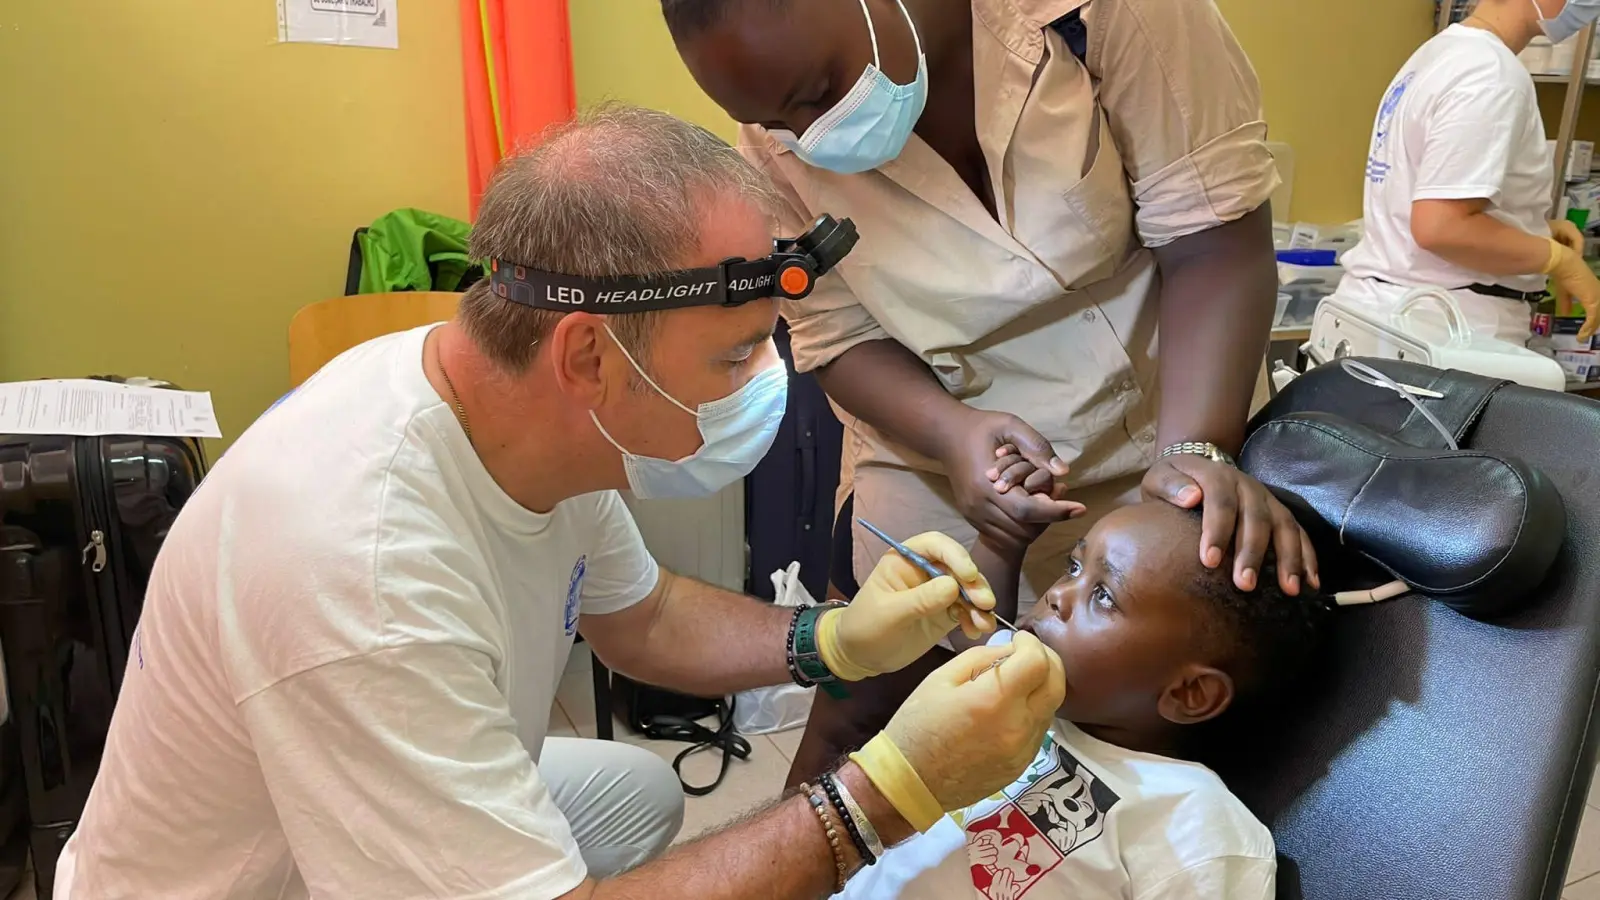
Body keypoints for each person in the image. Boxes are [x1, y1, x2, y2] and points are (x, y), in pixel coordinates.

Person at [55, 105, 1066, 900]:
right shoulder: (360, 563)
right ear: (587, 352)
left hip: (348, 785)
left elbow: (644, 616)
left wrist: (832, 638)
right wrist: (889, 789)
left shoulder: (511, 412)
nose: (769, 379)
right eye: (732, 353)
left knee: (633, 796)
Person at [661, 0, 1320, 784]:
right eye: (778, 124)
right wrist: (952, 436)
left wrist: (1191, 451)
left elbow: (1213, 234)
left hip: (1172, 408)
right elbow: (835, 338)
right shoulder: (777, 143)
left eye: (816, 91)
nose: (810, 137)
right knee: (877, 708)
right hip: (939, 433)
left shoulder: (1104, 14)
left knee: (1151, 727)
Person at [834, 501, 1328, 899]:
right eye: (1073, 566)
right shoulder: (1007, 694)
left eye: (1104, 596)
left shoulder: (1196, 828)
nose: (1058, 595)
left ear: (1189, 693)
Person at [1337, 0, 1600, 343]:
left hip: (1394, 314)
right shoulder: (1491, 74)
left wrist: (1532, 231)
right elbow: (1441, 227)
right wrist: (1557, 260)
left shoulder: (1444, 52)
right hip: (1447, 327)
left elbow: (1426, 201)